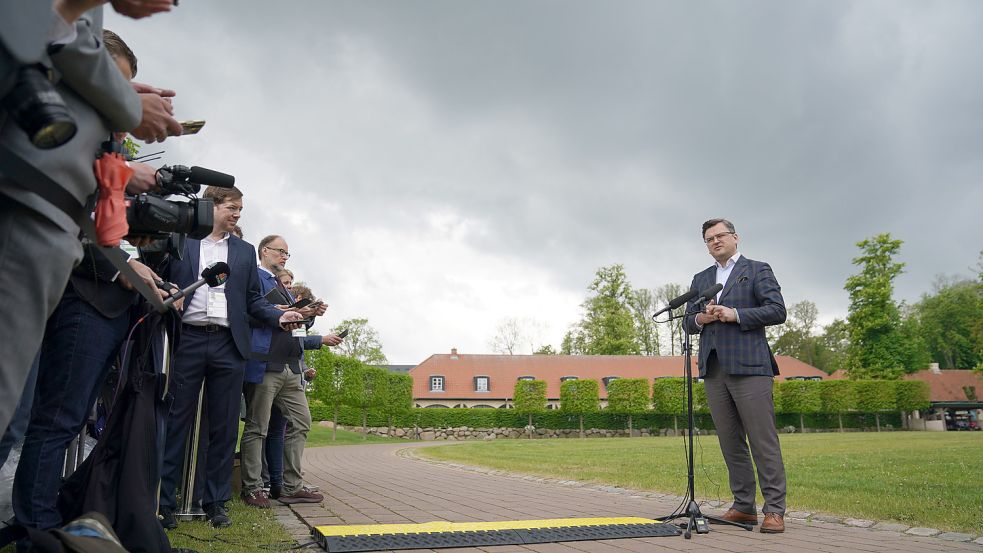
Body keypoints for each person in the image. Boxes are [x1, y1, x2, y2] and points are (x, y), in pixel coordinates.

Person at [10, 30, 171, 533]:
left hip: (82, 290)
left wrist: (132, 246)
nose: (114, 102)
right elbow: (70, 220)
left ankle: (38, 519)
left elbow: (100, 222)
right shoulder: (38, 118)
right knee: (47, 420)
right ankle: (35, 526)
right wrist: (123, 262)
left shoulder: (104, 144)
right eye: (110, 87)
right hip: (68, 289)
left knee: (56, 420)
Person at [158, 189, 304, 529]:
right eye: (232, 208)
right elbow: (162, 276)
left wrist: (279, 317)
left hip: (229, 345)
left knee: (224, 427)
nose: (238, 214)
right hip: (188, 340)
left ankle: (216, 503)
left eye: (241, 209)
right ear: (212, 206)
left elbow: (253, 300)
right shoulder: (182, 240)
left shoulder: (243, 251)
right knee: (176, 421)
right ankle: (164, 503)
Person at [683, 218, 788, 534]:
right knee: (730, 442)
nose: (715, 241)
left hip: (750, 367)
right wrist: (702, 316)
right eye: (708, 238)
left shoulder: (757, 270)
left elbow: (777, 310)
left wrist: (735, 314)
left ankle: (774, 510)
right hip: (714, 369)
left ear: (735, 238)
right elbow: (688, 321)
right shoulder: (701, 278)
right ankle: (744, 507)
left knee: (762, 441)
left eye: (720, 235)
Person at [239, 235, 341, 508]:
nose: (284, 257)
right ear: (264, 251)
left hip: (289, 366)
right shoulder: (253, 278)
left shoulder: (280, 285)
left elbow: (291, 324)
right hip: (264, 363)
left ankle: (290, 486)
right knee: (257, 427)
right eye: (280, 251)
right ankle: (252, 488)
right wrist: (275, 311)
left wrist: (308, 314)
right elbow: (246, 312)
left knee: (301, 422)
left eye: (287, 253)